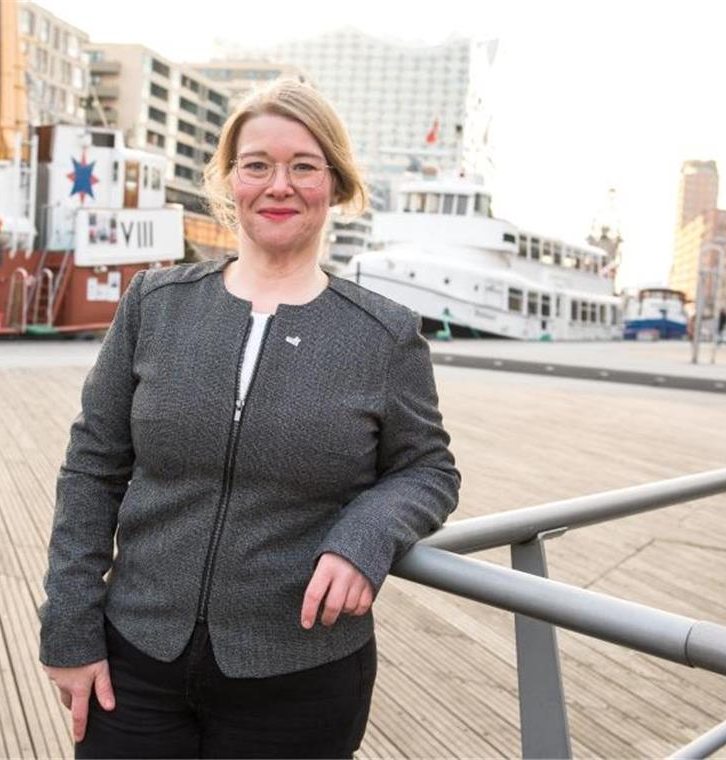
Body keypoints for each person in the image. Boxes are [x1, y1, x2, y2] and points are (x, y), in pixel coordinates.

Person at [39, 79, 461, 759]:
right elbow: (92, 466)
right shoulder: (155, 303)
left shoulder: (384, 336)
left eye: (303, 165)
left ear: (338, 185)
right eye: (257, 164)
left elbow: (428, 468)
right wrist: (69, 627)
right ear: (230, 180)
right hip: (135, 658)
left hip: (299, 675)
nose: (279, 184)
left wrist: (367, 534)